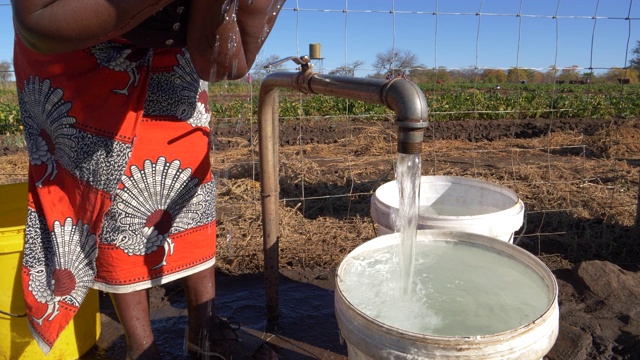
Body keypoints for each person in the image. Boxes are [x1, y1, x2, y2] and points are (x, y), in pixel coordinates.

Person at [10, 1, 283, 359]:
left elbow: (224, 59)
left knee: (187, 180)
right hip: (77, 47)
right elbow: (36, 20)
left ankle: (203, 332)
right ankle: (141, 348)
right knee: (114, 193)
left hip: (174, 48)